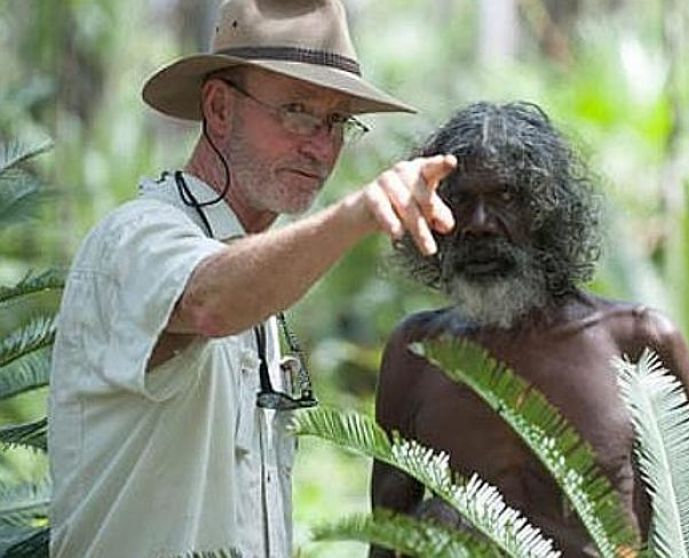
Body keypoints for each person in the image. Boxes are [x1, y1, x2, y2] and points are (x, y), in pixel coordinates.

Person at [48, 1, 457, 557]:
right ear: (218, 108)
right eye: (297, 110)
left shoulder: (256, 268)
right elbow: (210, 303)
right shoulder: (136, 238)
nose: (319, 146)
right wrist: (354, 215)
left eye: (337, 121)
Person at [370, 101, 689, 558]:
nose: (479, 224)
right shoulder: (418, 352)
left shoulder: (639, 342)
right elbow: (387, 535)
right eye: (461, 201)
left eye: (505, 197)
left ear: (549, 211)